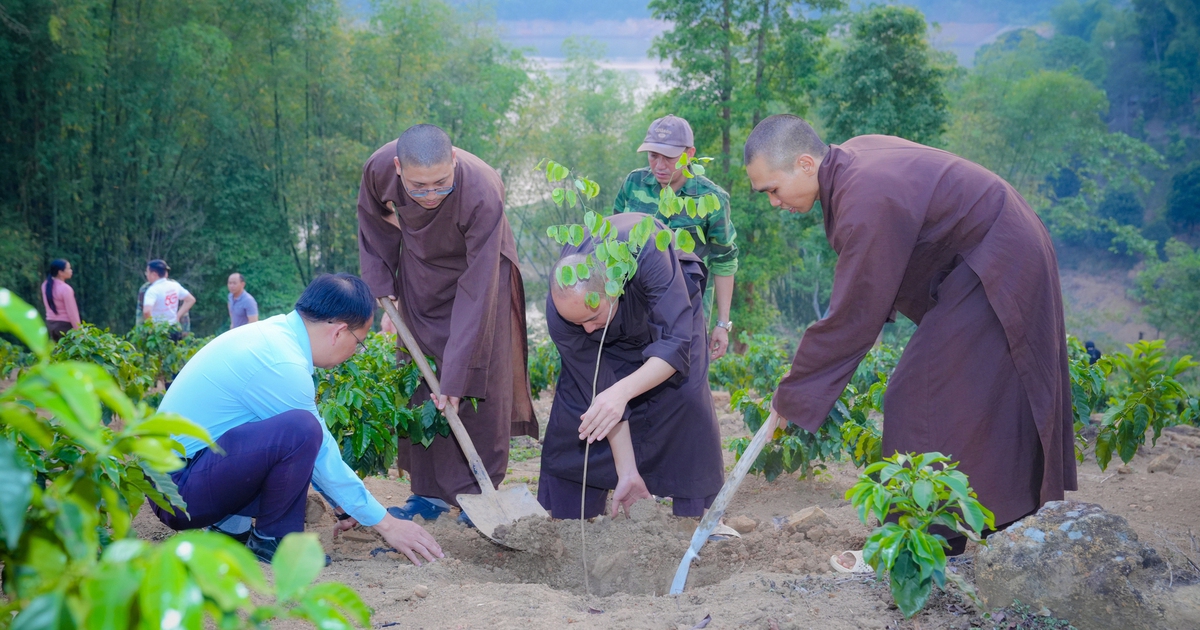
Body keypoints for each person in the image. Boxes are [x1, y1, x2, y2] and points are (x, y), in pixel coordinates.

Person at [743, 115, 1076, 556]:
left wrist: (793, 391)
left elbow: (854, 310)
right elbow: (871, 287)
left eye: (772, 189)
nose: (773, 203)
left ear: (805, 164)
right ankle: (993, 526)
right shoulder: (852, 162)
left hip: (999, 258)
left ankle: (918, 542)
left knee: (917, 393)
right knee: (978, 392)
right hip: (991, 253)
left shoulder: (864, 195)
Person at [152, 273, 443, 566]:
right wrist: (388, 525)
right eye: (360, 342)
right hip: (178, 493)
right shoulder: (282, 362)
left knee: (284, 433)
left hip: (177, 478)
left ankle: (229, 529)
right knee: (302, 430)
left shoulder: (274, 336)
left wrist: (341, 504)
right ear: (339, 332)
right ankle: (274, 543)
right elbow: (319, 451)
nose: (355, 352)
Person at [357, 124, 538, 523]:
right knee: (421, 380)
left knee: (479, 375)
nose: (431, 195)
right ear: (399, 168)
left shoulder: (482, 191)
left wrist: (457, 377)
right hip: (421, 273)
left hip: (482, 272)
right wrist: (383, 279)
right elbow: (372, 221)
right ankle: (428, 493)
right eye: (418, 188)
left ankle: (477, 491)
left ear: (454, 161)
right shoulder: (378, 170)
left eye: (441, 183)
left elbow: (476, 294)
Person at [538, 212, 724, 519]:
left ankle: (694, 520)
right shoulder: (562, 313)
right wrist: (626, 471)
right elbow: (597, 385)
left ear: (613, 289)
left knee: (686, 399)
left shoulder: (648, 250)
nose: (585, 330)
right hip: (616, 329)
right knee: (580, 412)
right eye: (576, 323)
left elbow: (674, 346)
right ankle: (570, 517)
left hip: (665, 316)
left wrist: (621, 392)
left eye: (590, 319)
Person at [612, 115, 740, 360]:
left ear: (689, 153)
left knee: (685, 379)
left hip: (688, 307)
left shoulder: (710, 198)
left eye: (669, 158)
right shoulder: (634, 184)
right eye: (653, 156)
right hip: (635, 305)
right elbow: (613, 240)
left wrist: (722, 325)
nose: (659, 165)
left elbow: (724, 261)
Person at [142, 259, 195, 327]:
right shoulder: (174, 285)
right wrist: (178, 316)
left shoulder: (152, 290)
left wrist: (152, 327)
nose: (146, 275)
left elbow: (146, 311)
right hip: (174, 327)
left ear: (154, 274)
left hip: (159, 329)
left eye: (147, 272)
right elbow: (191, 300)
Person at [42, 259, 81, 341]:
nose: (71, 271)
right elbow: (72, 313)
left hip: (51, 324)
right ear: (60, 272)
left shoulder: (45, 285)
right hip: (65, 326)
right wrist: (79, 332)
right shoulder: (66, 289)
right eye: (68, 268)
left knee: (58, 352)